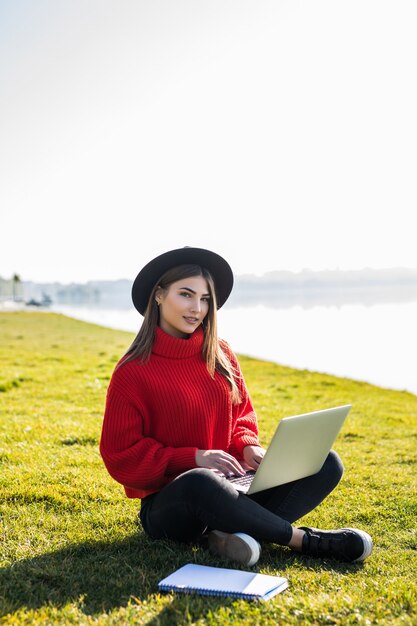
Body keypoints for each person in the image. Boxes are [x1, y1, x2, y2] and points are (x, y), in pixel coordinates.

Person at [100, 246, 373, 566]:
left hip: (235, 485)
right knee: (200, 480)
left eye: (205, 299)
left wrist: (247, 447)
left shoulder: (220, 353)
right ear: (158, 295)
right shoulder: (133, 371)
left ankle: (226, 534)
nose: (197, 309)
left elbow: (242, 414)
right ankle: (303, 540)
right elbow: (121, 456)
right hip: (174, 502)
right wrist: (194, 457)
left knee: (324, 461)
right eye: (186, 295)